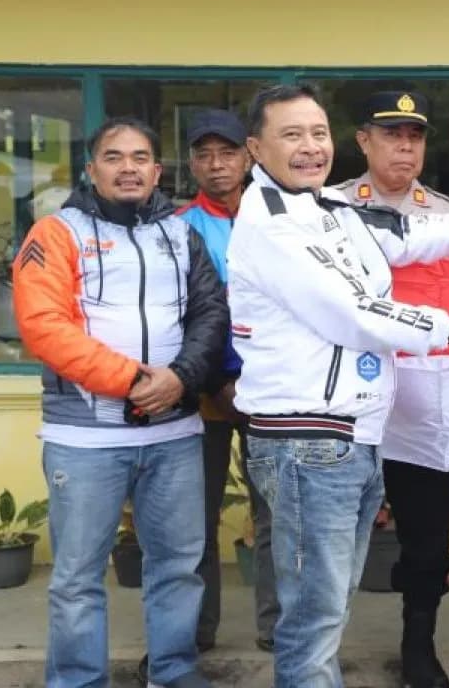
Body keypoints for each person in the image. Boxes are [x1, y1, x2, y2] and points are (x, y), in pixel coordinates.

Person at [228, 84, 449, 688]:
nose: (310, 148)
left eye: (316, 133)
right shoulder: (275, 227)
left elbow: (405, 236)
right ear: (256, 148)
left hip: (349, 438)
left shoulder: (324, 209)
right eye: (291, 136)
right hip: (308, 441)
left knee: (327, 611)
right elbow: (356, 312)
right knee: (314, 620)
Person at [12, 117, 228, 688]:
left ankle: (174, 672)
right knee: (78, 578)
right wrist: (135, 380)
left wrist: (180, 378)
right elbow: (44, 327)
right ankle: (81, 681)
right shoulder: (56, 233)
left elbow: (210, 313)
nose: (127, 167)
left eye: (140, 157)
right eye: (113, 157)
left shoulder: (183, 234)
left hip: (174, 435)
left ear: (158, 171)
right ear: (91, 169)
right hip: (85, 440)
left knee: (178, 568)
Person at [335, 91, 449, 688]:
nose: (405, 146)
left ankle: (420, 644)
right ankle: (319, 648)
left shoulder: (444, 213)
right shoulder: (329, 207)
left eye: (414, 136)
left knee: (428, 537)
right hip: (347, 401)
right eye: (392, 135)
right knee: (331, 534)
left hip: (421, 401)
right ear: (364, 141)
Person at [177, 109, 279, 654]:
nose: (216, 165)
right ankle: (196, 631)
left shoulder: (279, 217)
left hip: (274, 393)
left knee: (274, 517)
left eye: (228, 153)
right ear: (192, 163)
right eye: (204, 154)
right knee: (198, 518)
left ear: (250, 156)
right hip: (206, 394)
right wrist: (218, 382)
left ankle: (276, 629)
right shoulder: (180, 225)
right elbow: (189, 312)